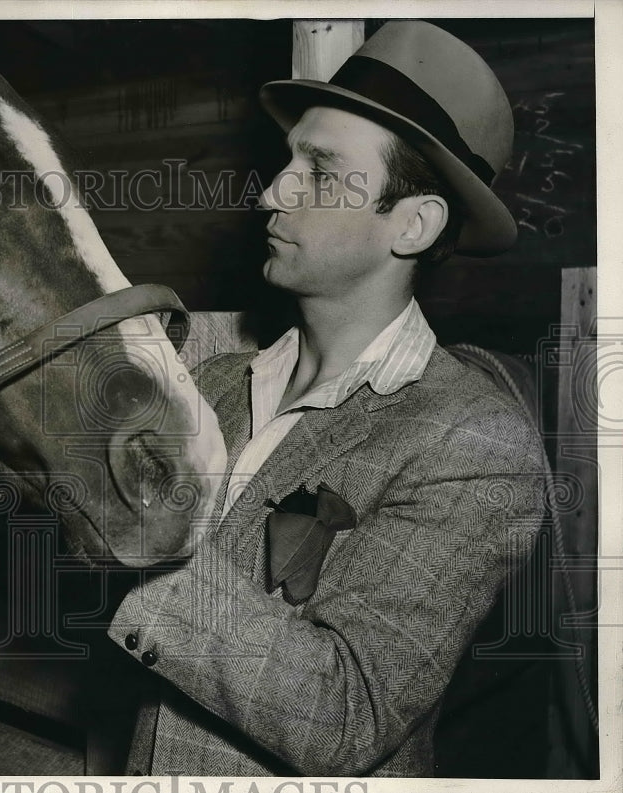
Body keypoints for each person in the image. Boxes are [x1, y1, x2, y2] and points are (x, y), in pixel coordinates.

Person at [107, 21, 548, 777]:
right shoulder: (211, 388)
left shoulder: (473, 443)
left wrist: (150, 536)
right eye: (288, 161)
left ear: (412, 224)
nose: (274, 190)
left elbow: (344, 715)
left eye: (319, 171)